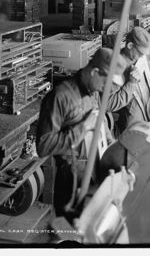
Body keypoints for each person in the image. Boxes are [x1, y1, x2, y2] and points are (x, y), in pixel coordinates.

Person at [36, 47, 136, 218]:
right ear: (95, 72)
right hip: (72, 180)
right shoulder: (60, 97)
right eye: (105, 83)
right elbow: (43, 146)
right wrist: (82, 128)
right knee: (72, 227)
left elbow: (100, 123)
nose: (105, 89)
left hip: (95, 171)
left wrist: (116, 153)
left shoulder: (93, 91)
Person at [114, 26, 150, 134]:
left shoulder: (141, 57)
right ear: (130, 46)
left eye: (144, 55)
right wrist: (130, 83)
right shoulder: (117, 65)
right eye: (140, 53)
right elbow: (113, 104)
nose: (142, 57)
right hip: (132, 122)